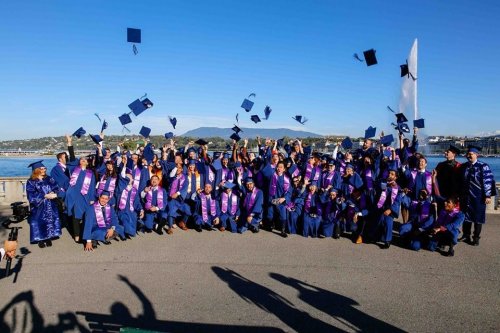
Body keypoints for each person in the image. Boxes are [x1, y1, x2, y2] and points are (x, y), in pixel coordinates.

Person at [459, 146, 496, 246]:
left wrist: (488, 195)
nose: (468, 156)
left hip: (478, 196)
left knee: (478, 218)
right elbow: (460, 182)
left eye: (471, 154)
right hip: (466, 196)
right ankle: (466, 235)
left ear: (476, 155)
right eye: (468, 154)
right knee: (466, 217)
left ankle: (476, 238)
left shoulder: (483, 166)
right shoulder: (464, 166)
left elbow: (488, 181)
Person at [26, 160, 62, 248]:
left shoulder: (49, 179)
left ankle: (48, 237)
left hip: (51, 204)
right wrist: (44, 195)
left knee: (50, 221)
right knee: (39, 222)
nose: (44, 170)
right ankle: (40, 239)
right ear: (36, 170)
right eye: (42, 168)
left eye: (45, 168)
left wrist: (54, 192)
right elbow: (31, 194)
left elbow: (56, 187)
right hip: (39, 206)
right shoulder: (31, 181)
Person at [65, 156, 96, 243]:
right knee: (76, 217)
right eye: (81, 159)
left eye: (85, 160)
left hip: (86, 197)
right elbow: (71, 159)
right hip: (75, 197)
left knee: (86, 216)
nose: (83, 160)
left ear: (87, 163)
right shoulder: (74, 170)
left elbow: (92, 187)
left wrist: (92, 198)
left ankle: (85, 234)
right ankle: (77, 235)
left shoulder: (90, 173)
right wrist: (70, 144)